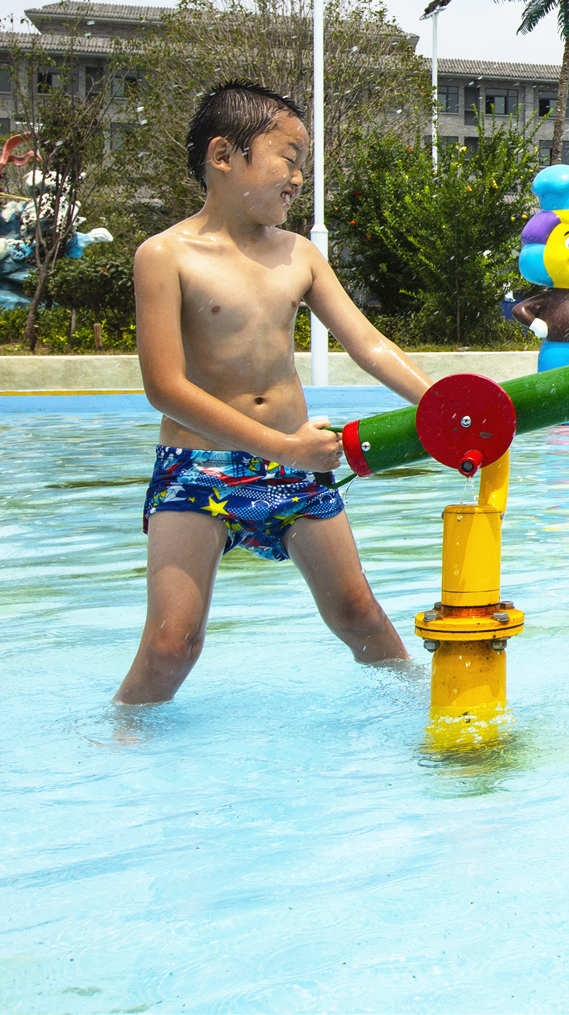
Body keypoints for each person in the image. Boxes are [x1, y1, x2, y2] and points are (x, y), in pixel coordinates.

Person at [115, 82, 432, 705]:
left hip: (295, 464)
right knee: (170, 646)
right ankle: (120, 743)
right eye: (287, 158)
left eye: (302, 166)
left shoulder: (299, 255)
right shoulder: (165, 256)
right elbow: (166, 388)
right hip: (198, 469)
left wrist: (441, 403)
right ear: (224, 155)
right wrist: (284, 448)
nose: (297, 179)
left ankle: (422, 709)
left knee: (359, 617)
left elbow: (368, 346)